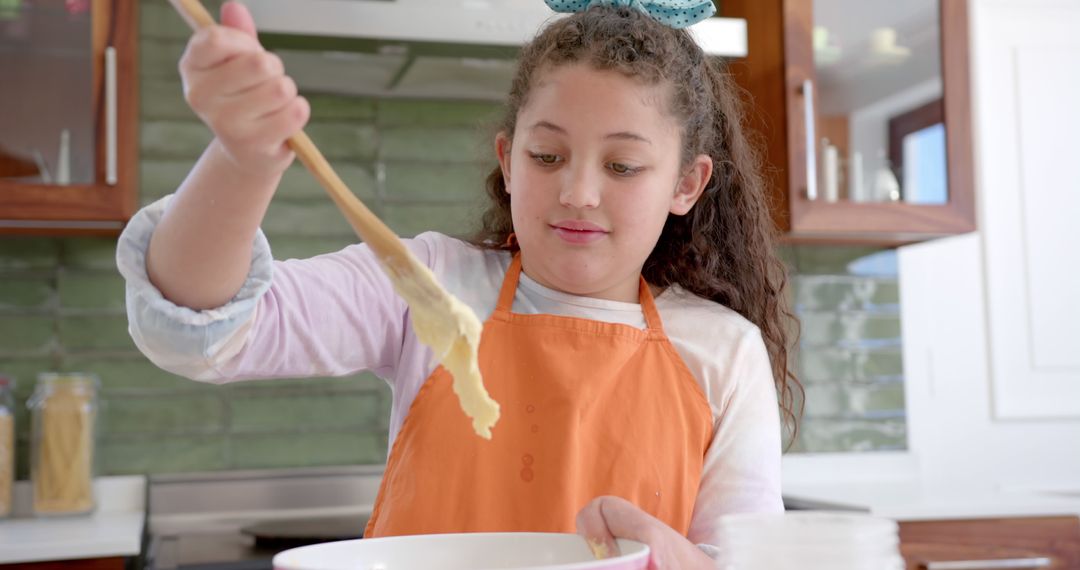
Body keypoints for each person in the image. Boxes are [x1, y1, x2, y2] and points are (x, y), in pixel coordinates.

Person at [117, 0, 801, 567]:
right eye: (546, 154)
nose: (578, 192)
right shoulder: (430, 287)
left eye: (623, 166)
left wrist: (676, 556)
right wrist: (243, 158)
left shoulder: (723, 351)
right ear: (509, 161)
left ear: (687, 183)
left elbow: (746, 559)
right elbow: (201, 329)